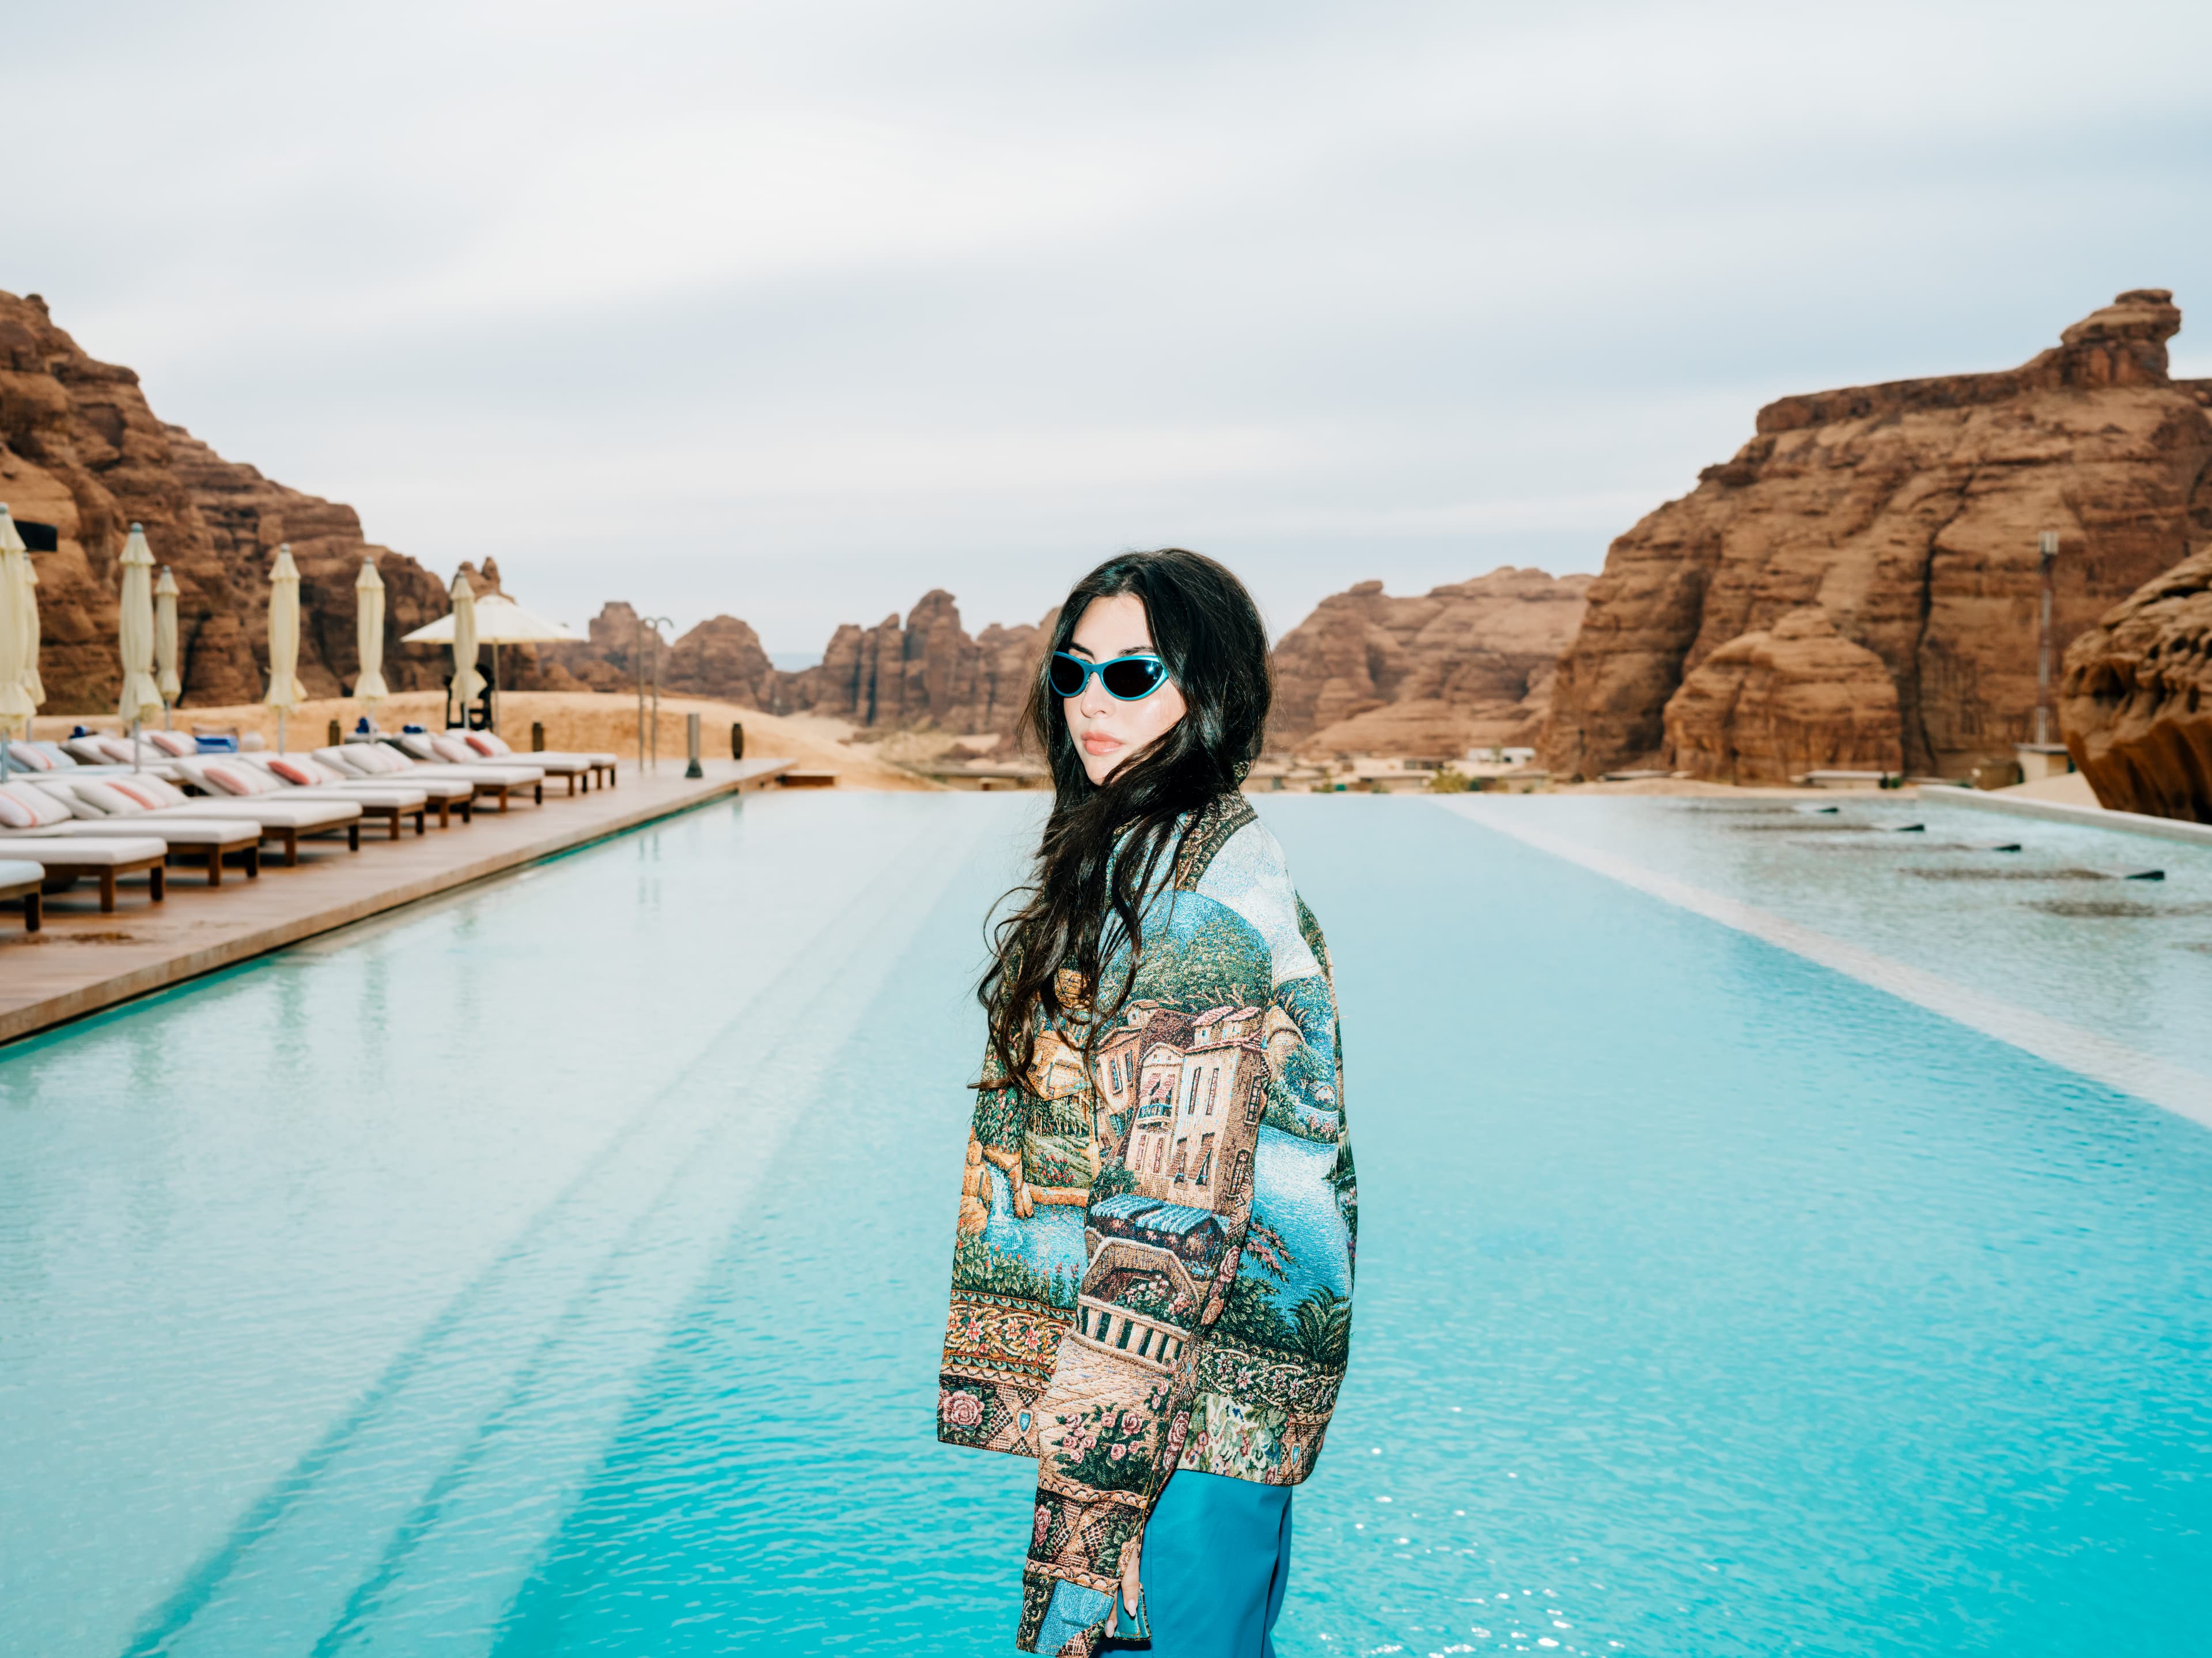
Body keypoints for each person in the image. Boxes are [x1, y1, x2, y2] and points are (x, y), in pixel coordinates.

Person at [936, 549, 1358, 1657]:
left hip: (1172, 1423)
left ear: (1207, 689)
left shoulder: (1192, 902)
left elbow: (1171, 1217)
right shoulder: (1166, 847)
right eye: (1072, 674)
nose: (1089, 705)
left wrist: (1099, 1505)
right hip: (1195, 1418)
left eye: (1133, 676)